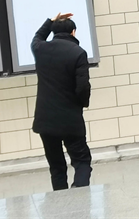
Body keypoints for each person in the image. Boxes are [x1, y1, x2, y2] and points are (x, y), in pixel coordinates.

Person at [31, 12, 92, 191]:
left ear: (53, 32)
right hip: (70, 119)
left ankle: (60, 202)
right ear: (73, 32)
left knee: (56, 166)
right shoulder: (78, 53)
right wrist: (81, 104)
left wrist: (50, 21)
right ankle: (78, 195)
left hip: (46, 120)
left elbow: (37, 37)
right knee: (81, 161)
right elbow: (82, 87)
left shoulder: (40, 49)